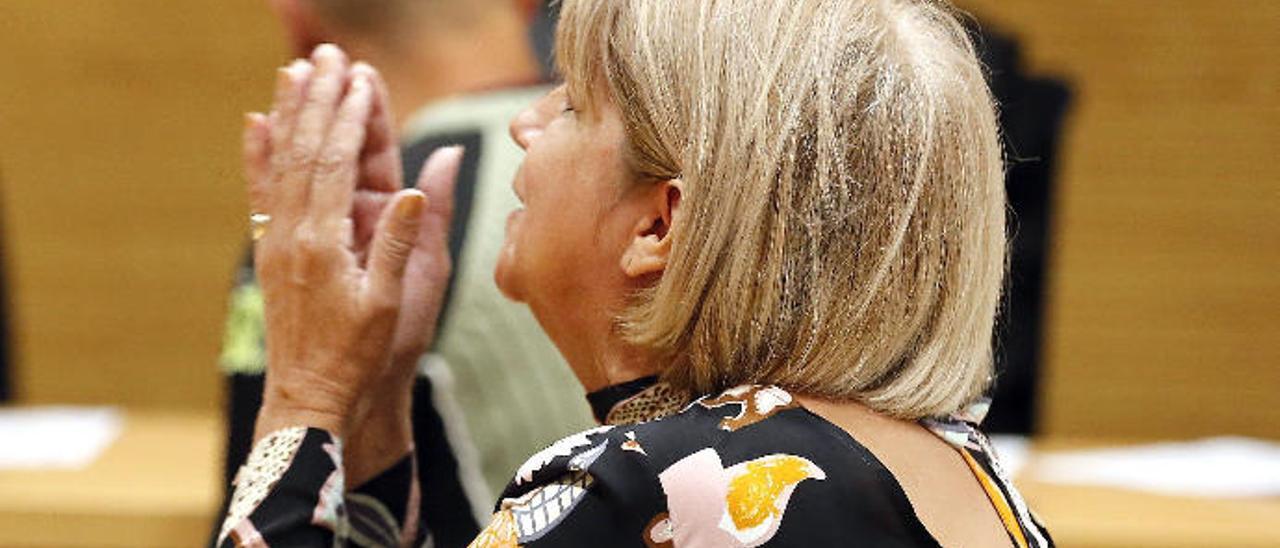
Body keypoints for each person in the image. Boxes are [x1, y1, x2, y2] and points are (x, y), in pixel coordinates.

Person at [217, 0, 1054, 546]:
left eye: (573, 101)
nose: (524, 123)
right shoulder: (954, 462)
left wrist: (306, 388)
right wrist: (374, 404)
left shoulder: (649, 485)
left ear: (659, 223)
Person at [215, 0, 594, 544]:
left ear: (298, 26)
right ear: (531, 8)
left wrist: (304, 399)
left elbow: (256, 511)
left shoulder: (330, 231)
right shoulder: (662, 175)